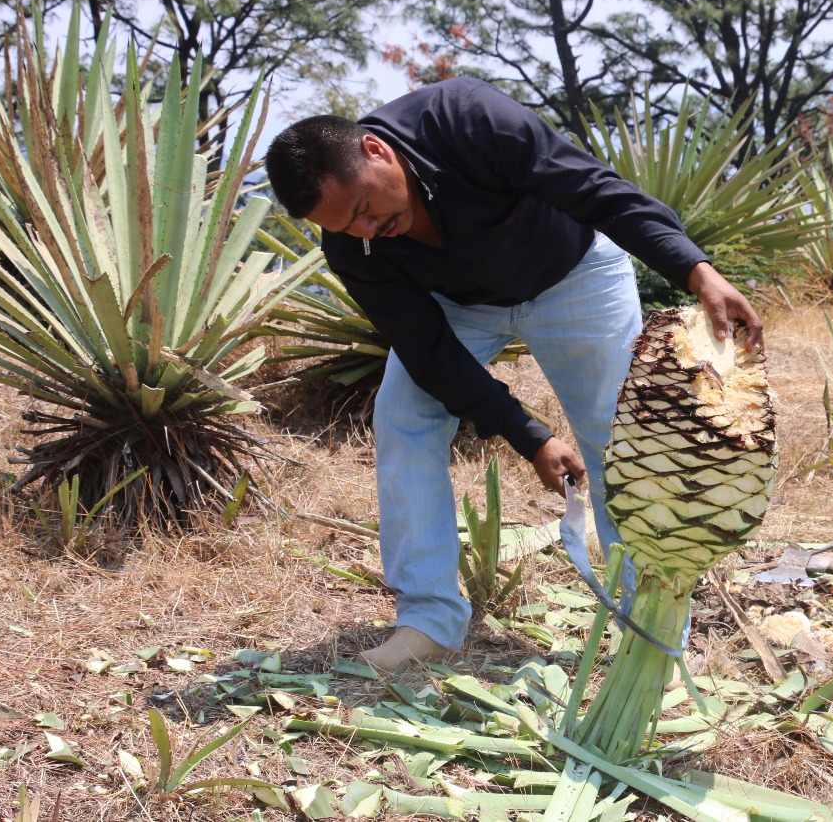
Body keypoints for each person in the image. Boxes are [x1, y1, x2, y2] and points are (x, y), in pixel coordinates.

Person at [265, 77, 763, 670]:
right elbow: (428, 353)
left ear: (376, 151)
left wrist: (697, 271)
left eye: (366, 211)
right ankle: (429, 621)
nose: (367, 233)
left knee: (622, 435)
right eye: (347, 227)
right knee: (403, 416)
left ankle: (651, 630)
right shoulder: (352, 244)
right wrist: (530, 435)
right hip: (460, 305)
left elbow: (597, 191)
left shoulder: (466, 118)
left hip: (573, 274)